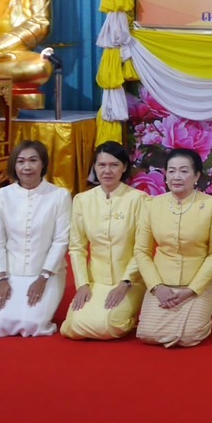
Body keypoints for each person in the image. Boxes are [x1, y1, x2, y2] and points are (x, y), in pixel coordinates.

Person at [135, 148, 212, 348]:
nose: (177, 177)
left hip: (196, 284)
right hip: (161, 283)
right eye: (172, 171)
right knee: (146, 334)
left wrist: (192, 289)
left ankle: (196, 313)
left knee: (190, 337)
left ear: (196, 176)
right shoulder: (152, 205)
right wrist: (156, 286)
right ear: (165, 174)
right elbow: (141, 251)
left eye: (184, 171)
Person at [0, 141, 72, 339]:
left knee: (33, 324)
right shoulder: (0, 196)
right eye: (21, 161)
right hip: (8, 272)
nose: (26, 167)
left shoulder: (59, 196)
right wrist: (1, 279)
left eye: (33, 161)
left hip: (46, 271)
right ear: (14, 165)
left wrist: (43, 277)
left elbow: (61, 240)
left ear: (43, 164)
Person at [61, 142, 148, 340]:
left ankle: (133, 313)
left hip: (130, 281)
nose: (107, 171)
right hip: (95, 280)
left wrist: (125, 282)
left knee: (110, 325)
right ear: (94, 167)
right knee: (73, 327)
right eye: (101, 165)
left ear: (124, 167)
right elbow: (77, 248)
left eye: (114, 165)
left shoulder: (139, 199)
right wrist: (82, 284)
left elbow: (143, 248)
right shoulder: (82, 200)